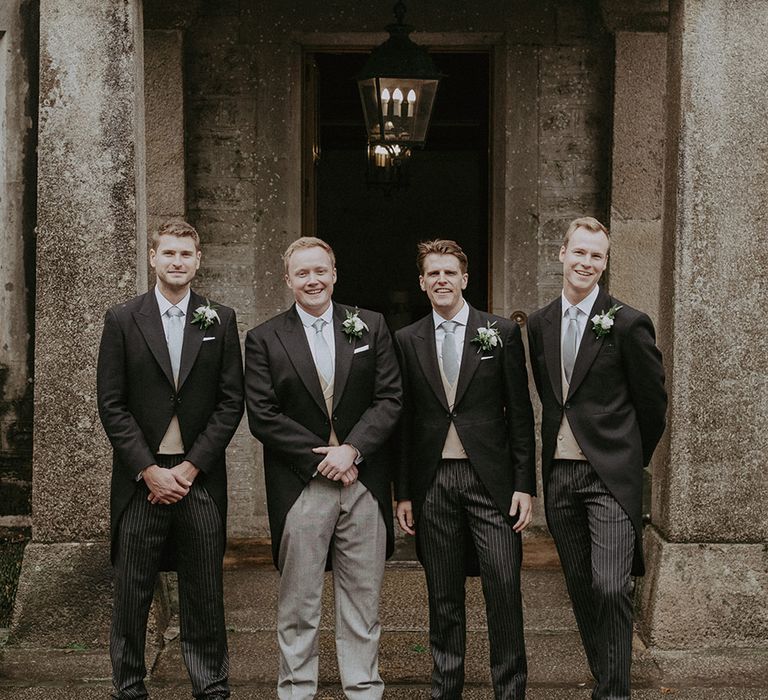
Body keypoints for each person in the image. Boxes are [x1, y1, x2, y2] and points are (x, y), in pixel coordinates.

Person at [244, 236, 402, 699]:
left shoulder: (370, 326)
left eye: (320, 271)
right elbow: (264, 415)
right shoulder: (264, 338)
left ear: (334, 274)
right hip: (301, 484)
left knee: (362, 599)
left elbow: (390, 399)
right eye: (302, 273)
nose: (312, 280)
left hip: (363, 482)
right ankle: (296, 689)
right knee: (299, 601)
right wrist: (324, 457)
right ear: (288, 280)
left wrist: (352, 450)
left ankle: (364, 688)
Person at [97, 218, 243, 699]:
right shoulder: (123, 319)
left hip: (197, 477)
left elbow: (230, 403)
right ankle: (130, 687)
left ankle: (211, 687)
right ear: (153, 258)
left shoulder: (220, 319)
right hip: (143, 479)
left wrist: (191, 466)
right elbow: (111, 403)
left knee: (203, 592)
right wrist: (149, 469)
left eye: (186, 254)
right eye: (169, 254)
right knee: (133, 591)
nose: (177, 262)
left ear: (198, 261)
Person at [526, 216, 667, 700]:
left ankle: (615, 692)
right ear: (561, 254)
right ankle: (608, 684)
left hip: (610, 476)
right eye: (579, 252)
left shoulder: (628, 322)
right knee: (583, 588)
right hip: (560, 478)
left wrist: (627, 458)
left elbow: (653, 406)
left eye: (596, 256)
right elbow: (551, 399)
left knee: (611, 585)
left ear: (605, 264)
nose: (586, 262)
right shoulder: (540, 323)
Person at [394, 239, 536, 699]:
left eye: (449, 273)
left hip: (490, 484)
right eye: (433, 274)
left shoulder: (500, 332)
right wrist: (404, 492)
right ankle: (445, 688)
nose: (441, 281)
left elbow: (519, 413)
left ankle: (510, 689)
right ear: (422, 282)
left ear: (465, 278)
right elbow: (404, 420)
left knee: (503, 587)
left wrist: (523, 485)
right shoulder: (406, 339)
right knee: (443, 596)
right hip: (433, 482)